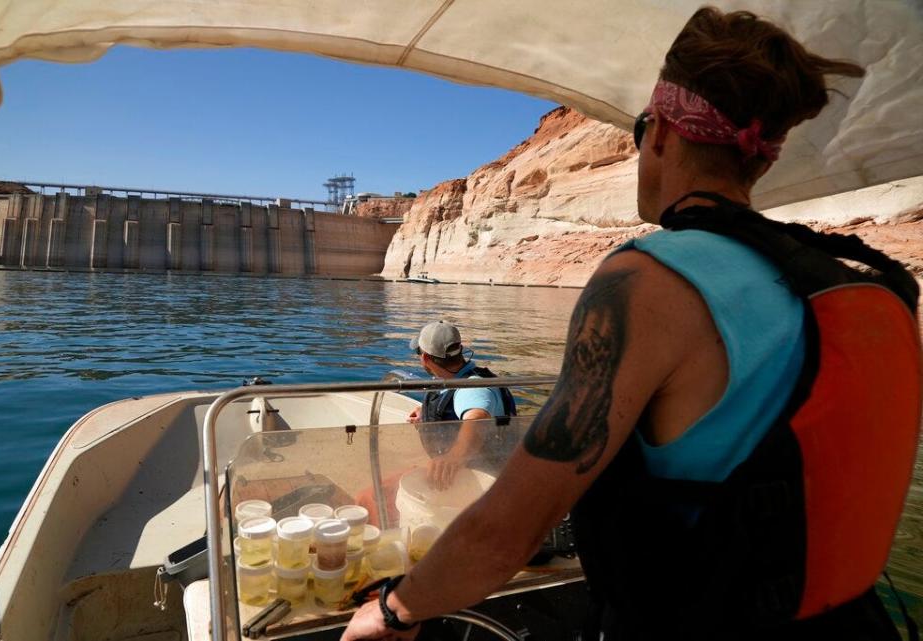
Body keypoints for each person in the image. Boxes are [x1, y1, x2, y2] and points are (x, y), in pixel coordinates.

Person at [342, 7, 920, 641]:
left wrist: (394, 608)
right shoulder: (852, 279)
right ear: (760, 157)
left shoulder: (647, 282)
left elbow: (511, 527)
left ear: (662, 131)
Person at [407, 320, 516, 489]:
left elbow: (477, 420)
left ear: (425, 357)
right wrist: (426, 412)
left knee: (368, 496)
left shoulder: (472, 388)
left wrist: (454, 457)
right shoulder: (456, 381)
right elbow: (459, 405)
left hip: (472, 482)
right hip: (464, 475)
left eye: (418, 352)